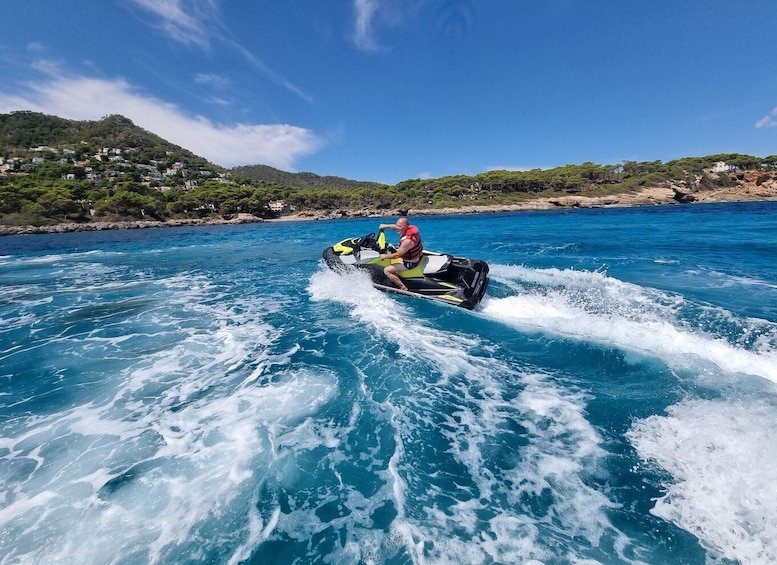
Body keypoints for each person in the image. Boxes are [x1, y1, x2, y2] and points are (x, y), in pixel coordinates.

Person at [377, 216, 423, 291]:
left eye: (400, 226)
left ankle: (403, 287)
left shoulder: (407, 241)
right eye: (397, 225)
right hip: (417, 255)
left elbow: (397, 255)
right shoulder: (409, 229)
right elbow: (396, 227)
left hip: (410, 263)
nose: (397, 228)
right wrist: (385, 226)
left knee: (387, 270)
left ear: (406, 227)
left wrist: (384, 256)